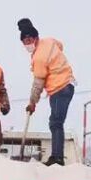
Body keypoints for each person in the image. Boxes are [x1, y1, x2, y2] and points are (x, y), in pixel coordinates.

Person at [17, 18, 75, 166]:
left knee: (55, 122)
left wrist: (32, 103)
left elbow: (38, 83)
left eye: (29, 39)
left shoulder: (39, 57)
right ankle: (57, 156)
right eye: (24, 41)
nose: (27, 43)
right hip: (68, 84)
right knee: (56, 121)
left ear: (35, 37)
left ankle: (57, 158)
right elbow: (60, 45)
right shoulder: (49, 41)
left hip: (59, 87)